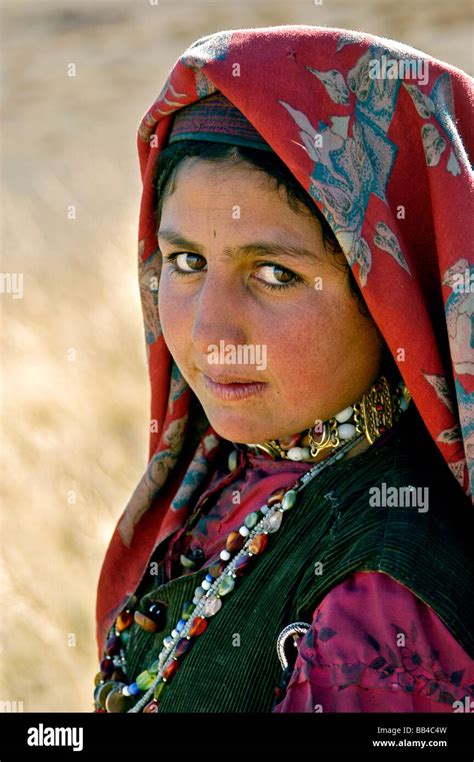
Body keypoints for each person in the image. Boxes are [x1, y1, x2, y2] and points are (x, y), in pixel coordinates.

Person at [93, 25, 474, 713]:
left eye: (274, 272)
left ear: (394, 290)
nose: (210, 332)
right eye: (185, 262)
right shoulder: (245, 464)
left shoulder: (381, 601)